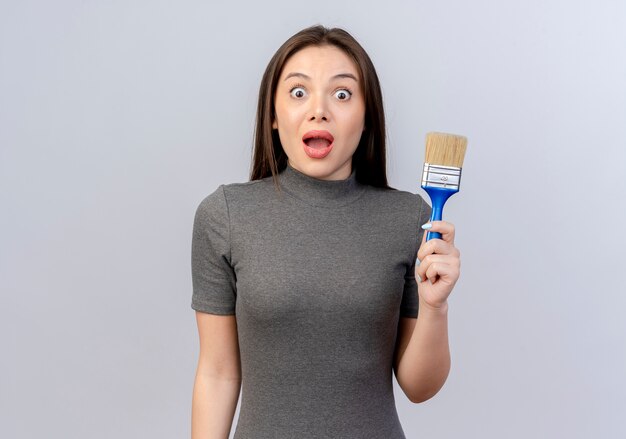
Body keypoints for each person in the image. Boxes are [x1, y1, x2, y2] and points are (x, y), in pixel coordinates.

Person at [190, 24, 461, 439]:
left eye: (342, 94)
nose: (320, 110)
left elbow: (419, 387)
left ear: (367, 117)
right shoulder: (224, 216)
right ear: (274, 117)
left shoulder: (410, 220)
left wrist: (435, 306)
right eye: (299, 93)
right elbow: (217, 374)